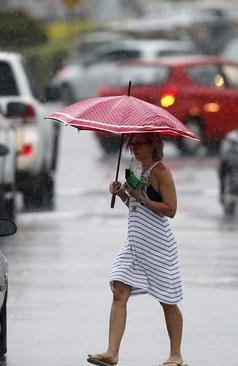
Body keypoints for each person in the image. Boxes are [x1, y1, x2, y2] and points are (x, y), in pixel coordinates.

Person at [87, 133, 186, 366]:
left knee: (168, 299)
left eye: (139, 144)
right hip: (133, 243)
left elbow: (170, 210)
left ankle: (176, 355)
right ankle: (112, 352)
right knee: (119, 290)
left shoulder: (161, 172)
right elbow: (134, 204)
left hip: (158, 245)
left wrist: (141, 197)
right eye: (132, 145)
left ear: (153, 146)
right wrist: (121, 192)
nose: (134, 149)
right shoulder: (135, 169)